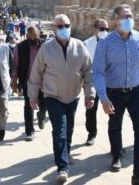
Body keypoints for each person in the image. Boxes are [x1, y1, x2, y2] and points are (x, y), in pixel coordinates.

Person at [93, 4, 139, 185]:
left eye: (130, 16)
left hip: (137, 91)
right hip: (115, 93)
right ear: (116, 20)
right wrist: (104, 99)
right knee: (115, 126)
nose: (129, 19)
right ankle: (116, 154)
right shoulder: (105, 43)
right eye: (124, 16)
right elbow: (97, 72)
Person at [28, 14, 95, 185]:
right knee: (59, 130)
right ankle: (62, 168)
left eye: (66, 25)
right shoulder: (46, 48)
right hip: (53, 96)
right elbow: (36, 73)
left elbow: (88, 71)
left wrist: (90, 94)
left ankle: (66, 151)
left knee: (69, 128)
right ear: (54, 29)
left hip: (73, 96)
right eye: (60, 26)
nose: (63, 28)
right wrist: (33, 96)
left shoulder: (80, 46)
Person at [12, 26, 48, 141]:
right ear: (27, 35)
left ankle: (41, 116)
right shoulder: (20, 47)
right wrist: (14, 81)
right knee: (28, 105)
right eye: (31, 36)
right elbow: (15, 66)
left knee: (44, 104)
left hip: (44, 81)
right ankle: (29, 131)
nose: (33, 39)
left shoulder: (45, 46)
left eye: (35, 36)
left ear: (39, 35)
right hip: (27, 80)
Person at [83, 18, 109, 146]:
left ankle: (115, 140)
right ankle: (91, 134)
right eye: (102, 29)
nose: (105, 31)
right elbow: (84, 65)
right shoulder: (87, 44)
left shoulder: (114, 41)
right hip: (93, 82)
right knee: (91, 109)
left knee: (114, 111)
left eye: (107, 29)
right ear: (95, 29)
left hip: (110, 82)